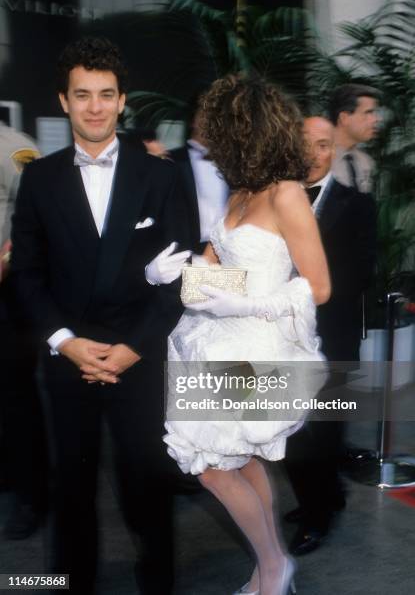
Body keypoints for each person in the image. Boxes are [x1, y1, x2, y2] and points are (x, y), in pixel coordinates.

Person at [10, 37, 191, 595]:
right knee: (72, 488)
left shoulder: (160, 176)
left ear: (122, 100)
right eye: (82, 94)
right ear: (63, 101)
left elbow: (183, 274)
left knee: (150, 483)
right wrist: (65, 341)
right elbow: (29, 275)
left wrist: (134, 347)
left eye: (105, 95)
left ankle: (159, 583)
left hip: (138, 356)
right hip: (69, 358)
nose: (94, 106)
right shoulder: (38, 179)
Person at [146, 75, 331, 595]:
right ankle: (273, 564)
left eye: (221, 132)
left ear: (249, 132)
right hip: (217, 343)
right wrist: (166, 275)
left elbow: (317, 286)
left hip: (257, 349)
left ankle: (273, 565)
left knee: (210, 466)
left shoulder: (287, 194)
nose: (211, 143)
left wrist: (244, 302)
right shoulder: (243, 191)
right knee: (237, 459)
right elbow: (216, 271)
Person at [284, 116, 377, 555]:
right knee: (292, 432)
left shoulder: (357, 204)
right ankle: (317, 500)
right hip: (281, 337)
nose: (314, 154)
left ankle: (318, 515)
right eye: (305, 144)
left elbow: (359, 275)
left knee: (322, 429)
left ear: (332, 151)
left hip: (331, 337)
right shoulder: (275, 198)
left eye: (324, 145)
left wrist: (297, 290)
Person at [0, 122, 47, 539]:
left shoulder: (13, 147)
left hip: (6, 295)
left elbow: (33, 216)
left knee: (15, 398)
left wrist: (5, 257)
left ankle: (32, 496)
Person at [169, 101, 229, 253]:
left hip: (229, 251)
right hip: (185, 251)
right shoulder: (171, 160)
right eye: (207, 115)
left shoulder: (232, 164)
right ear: (194, 120)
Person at [329, 83, 380, 193]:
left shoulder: (366, 163)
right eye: (368, 112)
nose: (376, 119)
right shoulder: (319, 161)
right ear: (344, 118)